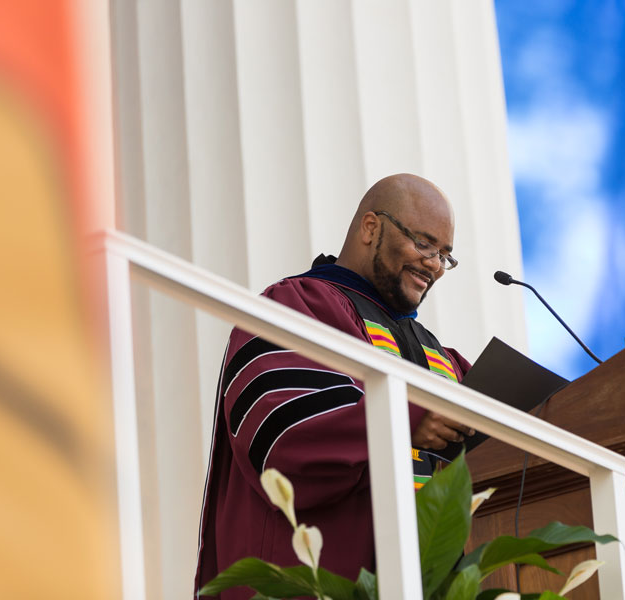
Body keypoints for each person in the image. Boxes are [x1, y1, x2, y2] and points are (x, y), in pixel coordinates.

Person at [195, 174, 475, 598]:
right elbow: (282, 434)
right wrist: (406, 420)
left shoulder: (437, 354)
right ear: (370, 228)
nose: (434, 264)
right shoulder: (294, 306)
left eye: (445, 255)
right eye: (423, 243)